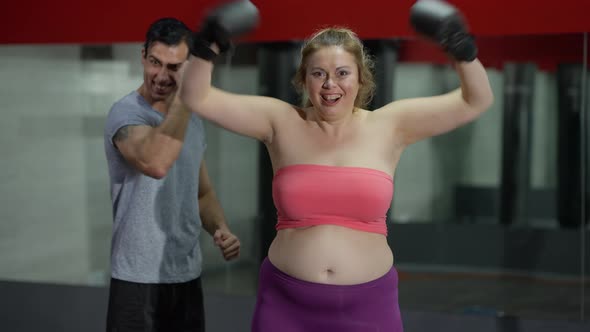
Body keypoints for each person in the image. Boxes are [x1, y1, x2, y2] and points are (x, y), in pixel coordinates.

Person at [181, 0, 493, 331]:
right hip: (286, 305)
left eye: (342, 73)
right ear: (304, 80)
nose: (331, 84)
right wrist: (208, 45)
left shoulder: (390, 125)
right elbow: (197, 96)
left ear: (360, 79)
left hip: (369, 307)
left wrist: (462, 49)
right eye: (319, 74)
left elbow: (477, 100)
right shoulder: (281, 121)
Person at [103, 17, 240, 332]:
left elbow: (201, 192)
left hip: (186, 276)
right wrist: (189, 91)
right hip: (137, 282)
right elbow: (155, 162)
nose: (161, 75)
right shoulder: (125, 114)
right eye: (154, 62)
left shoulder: (190, 120)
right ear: (143, 56)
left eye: (174, 67)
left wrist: (220, 228)